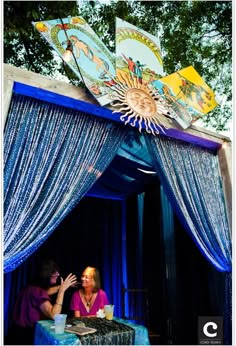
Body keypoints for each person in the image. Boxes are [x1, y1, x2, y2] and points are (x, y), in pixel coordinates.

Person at [10, 259, 77, 344]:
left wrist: (62, 286)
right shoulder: (38, 292)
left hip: (16, 332)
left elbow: (46, 292)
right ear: (47, 274)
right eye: (54, 272)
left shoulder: (31, 288)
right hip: (27, 336)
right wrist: (62, 290)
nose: (58, 274)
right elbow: (54, 315)